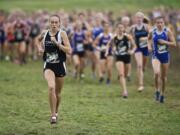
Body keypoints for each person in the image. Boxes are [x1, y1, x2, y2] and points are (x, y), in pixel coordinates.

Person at [37, 14, 71, 124]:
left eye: (56, 22)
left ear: (59, 23)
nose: (54, 24)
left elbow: (69, 50)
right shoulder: (45, 33)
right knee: (51, 87)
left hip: (60, 66)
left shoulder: (62, 34)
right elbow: (37, 40)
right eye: (52, 22)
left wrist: (57, 43)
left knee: (58, 93)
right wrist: (39, 48)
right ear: (49, 23)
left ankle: (56, 111)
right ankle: (53, 116)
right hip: (48, 66)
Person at [148, 16, 176, 103]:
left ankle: (162, 94)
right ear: (155, 23)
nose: (159, 24)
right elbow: (148, 39)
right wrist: (149, 46)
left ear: (163, 23)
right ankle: (157, 91)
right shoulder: (152, 31)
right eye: (158, 22)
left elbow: (174, 43)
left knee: (163, 77)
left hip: (165, 55)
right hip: (156, 55)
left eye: (161, 22)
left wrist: (165, 42)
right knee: (156, 73)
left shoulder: (167, 31)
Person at [106, 24, 136, 97]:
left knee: (125, 75)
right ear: (117, 29)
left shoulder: (127, 36)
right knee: (121, 74)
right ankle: (124, 92)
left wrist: (132, 51)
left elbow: (135, 46)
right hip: (119, 57)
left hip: (127, 57)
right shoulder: (114, 37)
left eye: (121, 28)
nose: (120, 29)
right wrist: (107, 51)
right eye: (118, 28)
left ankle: (123, 81)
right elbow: (108, 44)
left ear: (123, 29)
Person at [131, 12, 150, 91]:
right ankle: (141, 85)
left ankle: (143, 69)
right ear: (135, 18)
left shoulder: (146, 27)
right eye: (137, 17)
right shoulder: (133, 28)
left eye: (140, 17)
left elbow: (152, 37)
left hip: (145, 48)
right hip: (137, 48)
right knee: (139, 65)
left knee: (143, 67)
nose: (139, 19)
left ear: (142, 18)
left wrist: (146, 40)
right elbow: (130, 37)